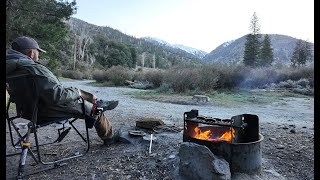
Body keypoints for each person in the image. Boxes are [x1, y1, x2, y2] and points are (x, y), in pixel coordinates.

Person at [6, 36, 119, 145]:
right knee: (95, 109)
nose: (39, 55)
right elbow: (58, 96)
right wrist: (79, 92)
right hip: (48, 111)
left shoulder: (11, 70)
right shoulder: (34, 69)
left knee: (76, 95)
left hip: (27, 111)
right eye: (38, 52)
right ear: (31, 53)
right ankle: (109, 136)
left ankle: (97, 103)